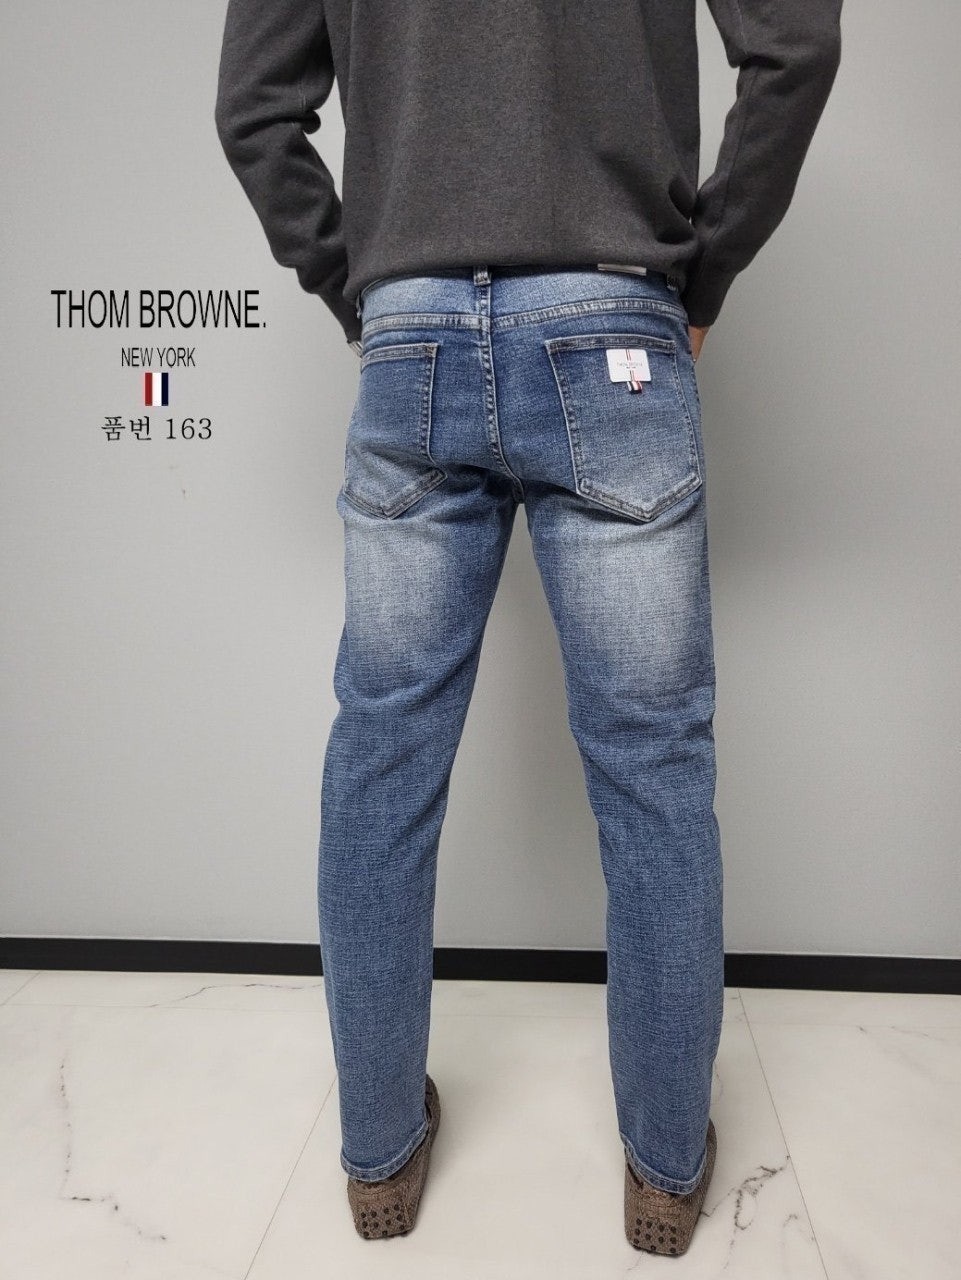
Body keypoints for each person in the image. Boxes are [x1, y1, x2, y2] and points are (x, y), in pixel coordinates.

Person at [215, 0, 843, 1255]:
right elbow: (798, 42)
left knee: (381, 761)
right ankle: (665, 1167)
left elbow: (252, 112)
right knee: (653, 772)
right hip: (612, 318)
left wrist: (363, 285)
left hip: (412, 337)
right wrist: (702, 267)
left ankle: (377, 1154)